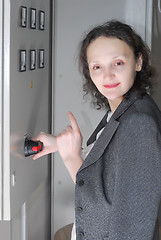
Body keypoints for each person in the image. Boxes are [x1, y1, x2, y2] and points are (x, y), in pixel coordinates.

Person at [33, 20, 161, 239]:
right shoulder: (123, 109)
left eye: (118, 63)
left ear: (138, 62)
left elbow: (133, 227)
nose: (107, 76)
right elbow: (109, 190)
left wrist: (72, 158)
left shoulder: (138, 123)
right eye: (97, 67)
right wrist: (61, 145)